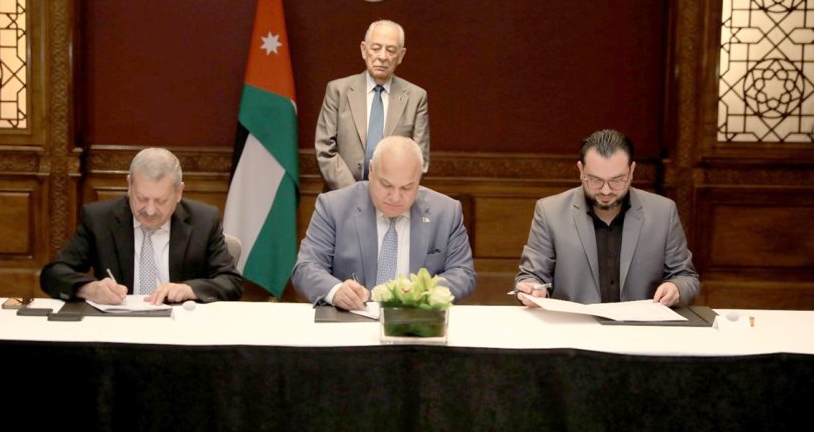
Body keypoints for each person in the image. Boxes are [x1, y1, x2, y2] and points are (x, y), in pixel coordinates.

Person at [515, 129, 699, 307]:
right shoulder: (550, 212)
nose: (605, 190)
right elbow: (531, 276)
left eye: (617, 180)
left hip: (640, 325)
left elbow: (686, 277)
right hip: (574, 325)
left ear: (632, 171)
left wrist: (676, 288)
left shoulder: (663, 212)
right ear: (581, 170)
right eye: (595, 180)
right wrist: (532, 289)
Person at [40, 147, 243, 305]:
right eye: (141, 198)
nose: (150, 210)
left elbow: (231, 282)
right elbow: (53, 274)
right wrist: (89, 289)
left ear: (179, 192)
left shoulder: (203, 221)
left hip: (180, 329)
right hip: (117, 329)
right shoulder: (100, 219)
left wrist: (189, 290)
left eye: (161, 201)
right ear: (129, 186)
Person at [293, 136, 475, 310]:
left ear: (419, 178)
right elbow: (306, 267)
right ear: (371, 170)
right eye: (386, 185)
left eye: (407, 187)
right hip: (351, 320)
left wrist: (423, 293)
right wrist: (335, 291)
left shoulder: (446, 212)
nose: (395, 197)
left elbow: (463, 272)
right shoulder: (334, 206)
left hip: (418, 320)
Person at [314, 19, 430, 191]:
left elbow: (419, 159)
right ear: (364, 50)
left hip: (393, 199)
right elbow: (324, 150)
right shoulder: (338, 90)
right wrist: (356, 193)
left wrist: (386, 192)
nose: (382, 56)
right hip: (342, 196)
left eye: (390, 50)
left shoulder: (416, 97)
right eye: (376, 48)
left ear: (401, 55)